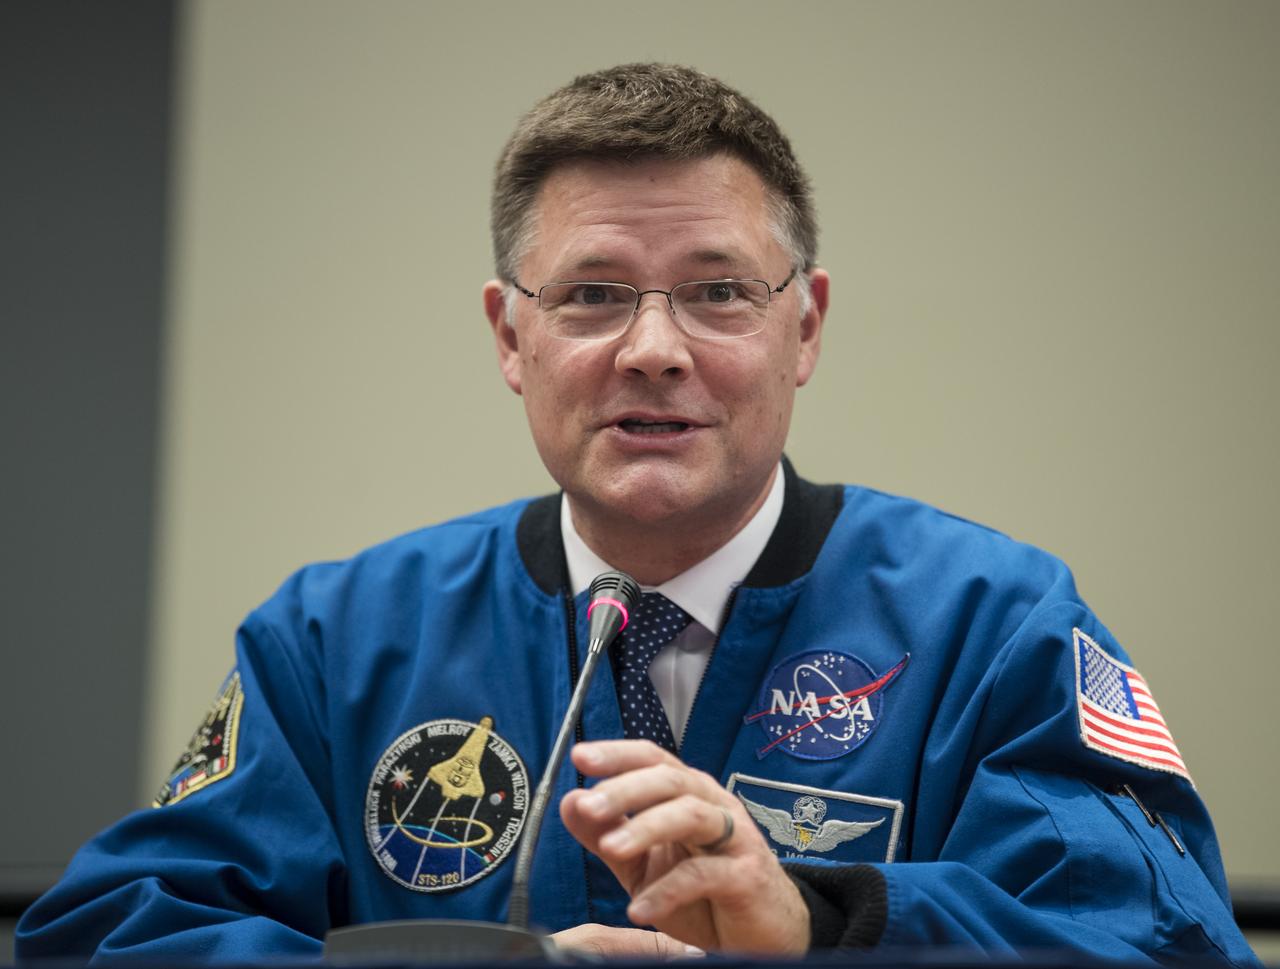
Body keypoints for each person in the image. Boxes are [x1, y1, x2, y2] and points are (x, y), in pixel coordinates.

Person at [17, 63, 1257, 965]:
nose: (653, 350)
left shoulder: (990, 623)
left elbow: (1164, 940)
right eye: (593, 295)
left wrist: (824, 927)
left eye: (718, 293)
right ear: (512, 335)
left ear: (804, 325)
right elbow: (107, 937)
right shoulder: (337, 639)